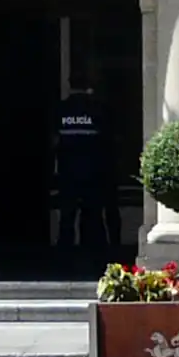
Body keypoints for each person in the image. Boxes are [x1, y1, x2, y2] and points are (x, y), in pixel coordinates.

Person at [55, 76, 110, 256]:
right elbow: (108, 141)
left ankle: (64, 258)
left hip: (67, 171)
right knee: (93, 217)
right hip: (94, 172)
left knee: (67, 217)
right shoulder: (97, 110)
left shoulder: (61, 110)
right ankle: (95, 257)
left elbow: (53, 140)